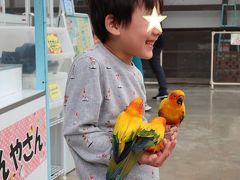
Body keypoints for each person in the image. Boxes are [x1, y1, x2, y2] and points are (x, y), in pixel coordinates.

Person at [64, 0, 177, 179]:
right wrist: (133, 153)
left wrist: (152, 138)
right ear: (114, 24)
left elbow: (136, 124)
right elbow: (77, 133)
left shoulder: (135, 72)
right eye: (149, 19)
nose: (158, 30)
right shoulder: (90, 64)